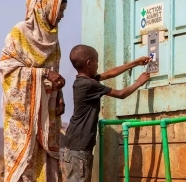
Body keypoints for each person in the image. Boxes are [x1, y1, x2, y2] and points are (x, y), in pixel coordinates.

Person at [0, 0, 68, 182]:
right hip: (22, 112)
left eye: (62, 11)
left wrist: (59, 96)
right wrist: (44, 73)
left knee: (46, 161)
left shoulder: (53, 38)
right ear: (45, 8)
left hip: (47, 111)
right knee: (23, 158)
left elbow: (55, 68)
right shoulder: (20, 32)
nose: (62, 15)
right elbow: (7, 69)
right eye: (59, 10)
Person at [64, 44, 151, 182]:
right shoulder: (89, 85)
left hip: (76, 144)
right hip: (79, 146)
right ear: (89, 63)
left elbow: (110, 73)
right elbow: (121, 94)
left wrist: (135, 63)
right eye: (97, 62)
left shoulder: (84, 81)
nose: (98, 65)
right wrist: (139, 82)